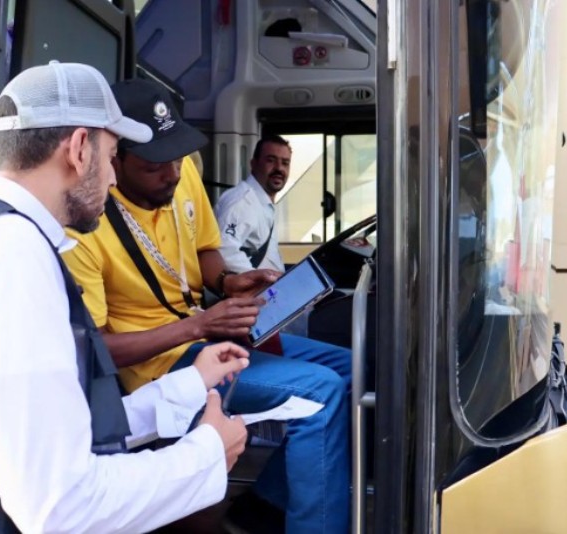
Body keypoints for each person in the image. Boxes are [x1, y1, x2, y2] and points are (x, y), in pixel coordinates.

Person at [0, 61, 250, 534]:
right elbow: (59, 504)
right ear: (80, 149)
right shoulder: (11, 255)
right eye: (112, 155)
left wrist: (188, 383)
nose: (114, 180)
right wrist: (206, 455)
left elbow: (63, 427)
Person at [63, 78, 351, 533]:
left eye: (177, 157)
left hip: (205, 331)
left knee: (351, 370)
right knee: (321, 392)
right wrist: (198, 327)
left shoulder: (181, 173)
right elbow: (96, 352)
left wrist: (228, 282)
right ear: (114, 159)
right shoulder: (83, 226)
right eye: (155, 165)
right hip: (161, 361)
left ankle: (260, 510)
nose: (173, 174)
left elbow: (205, 249)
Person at [214, 135, 292, 273]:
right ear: (253, 164)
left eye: (285, 163)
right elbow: (224, 249)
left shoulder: (261, 203)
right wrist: (255, 280)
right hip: (257, 286)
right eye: (271, 160)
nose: (279, 168)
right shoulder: (243, 202)